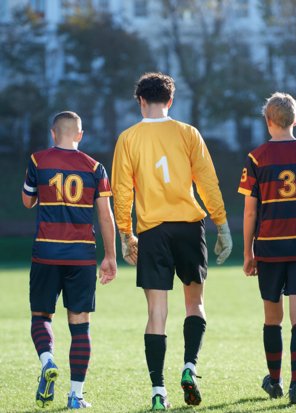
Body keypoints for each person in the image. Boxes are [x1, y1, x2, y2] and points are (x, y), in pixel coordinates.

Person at [111, 72, 232, 410]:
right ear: (170, 101)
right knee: (195, 304)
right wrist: (221, 223)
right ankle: (190, 368)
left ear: (140, 101)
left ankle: (158, 391)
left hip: (152, 230)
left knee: (156, 312)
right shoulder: (187, 133)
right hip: (189, 227)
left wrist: (125, 233)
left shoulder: (128, 138)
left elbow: (122, 190)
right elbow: (207, 180)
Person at [238, 92, 296, 405]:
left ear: (268, 121)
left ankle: (275, 381)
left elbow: (250, 211)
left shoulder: (256, 158)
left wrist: (248, 252)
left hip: (270, 248)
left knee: (272, 318)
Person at [22, 111, 117, 409]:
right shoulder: (95, 167)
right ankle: (76, 396)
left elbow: (27, 201)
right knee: (80, 326)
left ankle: (48, 360)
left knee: (41, 317)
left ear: (53, 133)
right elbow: (105, 214)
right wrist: (110, 256)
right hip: (82, 256)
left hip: (46, 253)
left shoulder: (38, 161)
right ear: (79, 134)